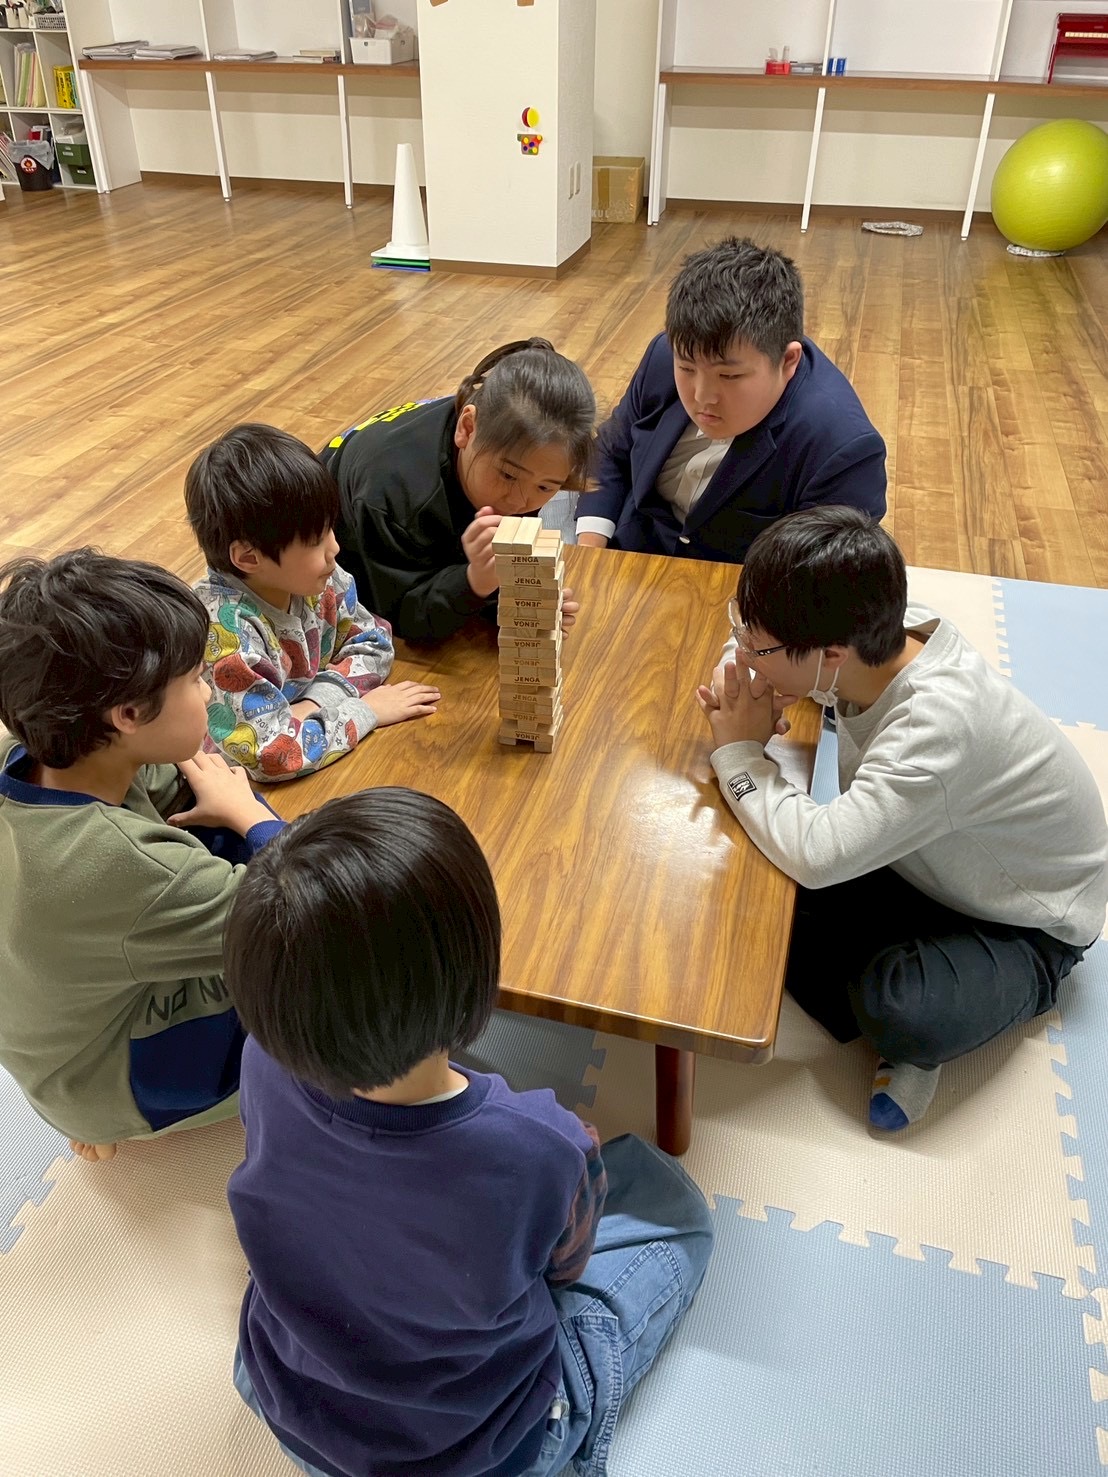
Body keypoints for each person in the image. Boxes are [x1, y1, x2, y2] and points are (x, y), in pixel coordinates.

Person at [224, 787, 714, 1477]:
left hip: (291, 1396)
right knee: (679, 1208)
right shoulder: (540, 1142)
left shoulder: (261, 1058)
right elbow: (563, 1271)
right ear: (477, 975)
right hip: (468, 1447)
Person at [697, 506, 1107, 1131]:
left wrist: (739, 753)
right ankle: (897, 972)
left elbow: (818, 856)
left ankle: (934, 1026)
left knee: (902, 1012)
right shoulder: (880, 635)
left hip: (1027, 918)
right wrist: (747, 679)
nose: (746, 652)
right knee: (753, 888)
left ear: (831, 656)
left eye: (761, 648)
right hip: (931, 860)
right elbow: (758, 648)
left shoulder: (934, 729)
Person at [0, 549, 286, 1162]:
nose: (207, 691)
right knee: (324, 956)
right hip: (116, 1079)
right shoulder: (122, 864)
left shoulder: (37, 749)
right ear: (128, 715)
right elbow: (304, 905)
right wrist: (253, 816)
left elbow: (171, 782)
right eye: (196, 680)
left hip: (61, 1048)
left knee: (209, 819)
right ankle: (130, 1116)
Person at [575, 237, 887, 562]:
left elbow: (820, 573)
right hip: (634, 549)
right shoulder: (663, 357)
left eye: (729, 376)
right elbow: (612, 451)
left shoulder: (842, 449)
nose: (702, 396)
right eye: (687, 368)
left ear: (788, 361)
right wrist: (589, 557)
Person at [185, 423, 440, 783]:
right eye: (315, 540)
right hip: (228, 783)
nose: (334, 548)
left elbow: (375, 642)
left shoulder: (315, 576)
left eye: (330, 529)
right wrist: (365, 711)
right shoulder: (225, 632)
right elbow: (272, 755)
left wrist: (315, 703)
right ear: (248, 558)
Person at [323, 338, 595, 640]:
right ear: (466, 428)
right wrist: (474, 582)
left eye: (545, 487)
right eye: (508, 475)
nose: (520, 502)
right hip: (337, 566)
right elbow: (401, 619)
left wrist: (520, 599)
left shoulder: (504, 439)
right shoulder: (392, 493)